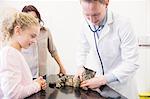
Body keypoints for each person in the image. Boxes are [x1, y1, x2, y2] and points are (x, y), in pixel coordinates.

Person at [74, 0, 139, 99]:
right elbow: (82, 48)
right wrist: (80, 66)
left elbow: (132, 63)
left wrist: (104, 79)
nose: (91, 20)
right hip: (101, 89)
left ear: (106, 3)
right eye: (87, 15)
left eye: (96, 15)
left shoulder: (123, 24)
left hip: (122, 88)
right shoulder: (84, 24)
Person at [0, 12, 47, 98]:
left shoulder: (15, 53)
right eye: (32, 36)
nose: (34, 41)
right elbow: (13, 94)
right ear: (18, 30)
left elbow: (18, 85)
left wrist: (34, 83)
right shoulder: (9, 54)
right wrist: (37, 86)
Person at [21, 5, 66, 79]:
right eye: (29, 19)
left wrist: (61, 67)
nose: (33, 21)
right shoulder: (21, 34)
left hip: (42, 75)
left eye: (35, 18)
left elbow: (53, 51)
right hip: (27, 75)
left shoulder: (45, 31)